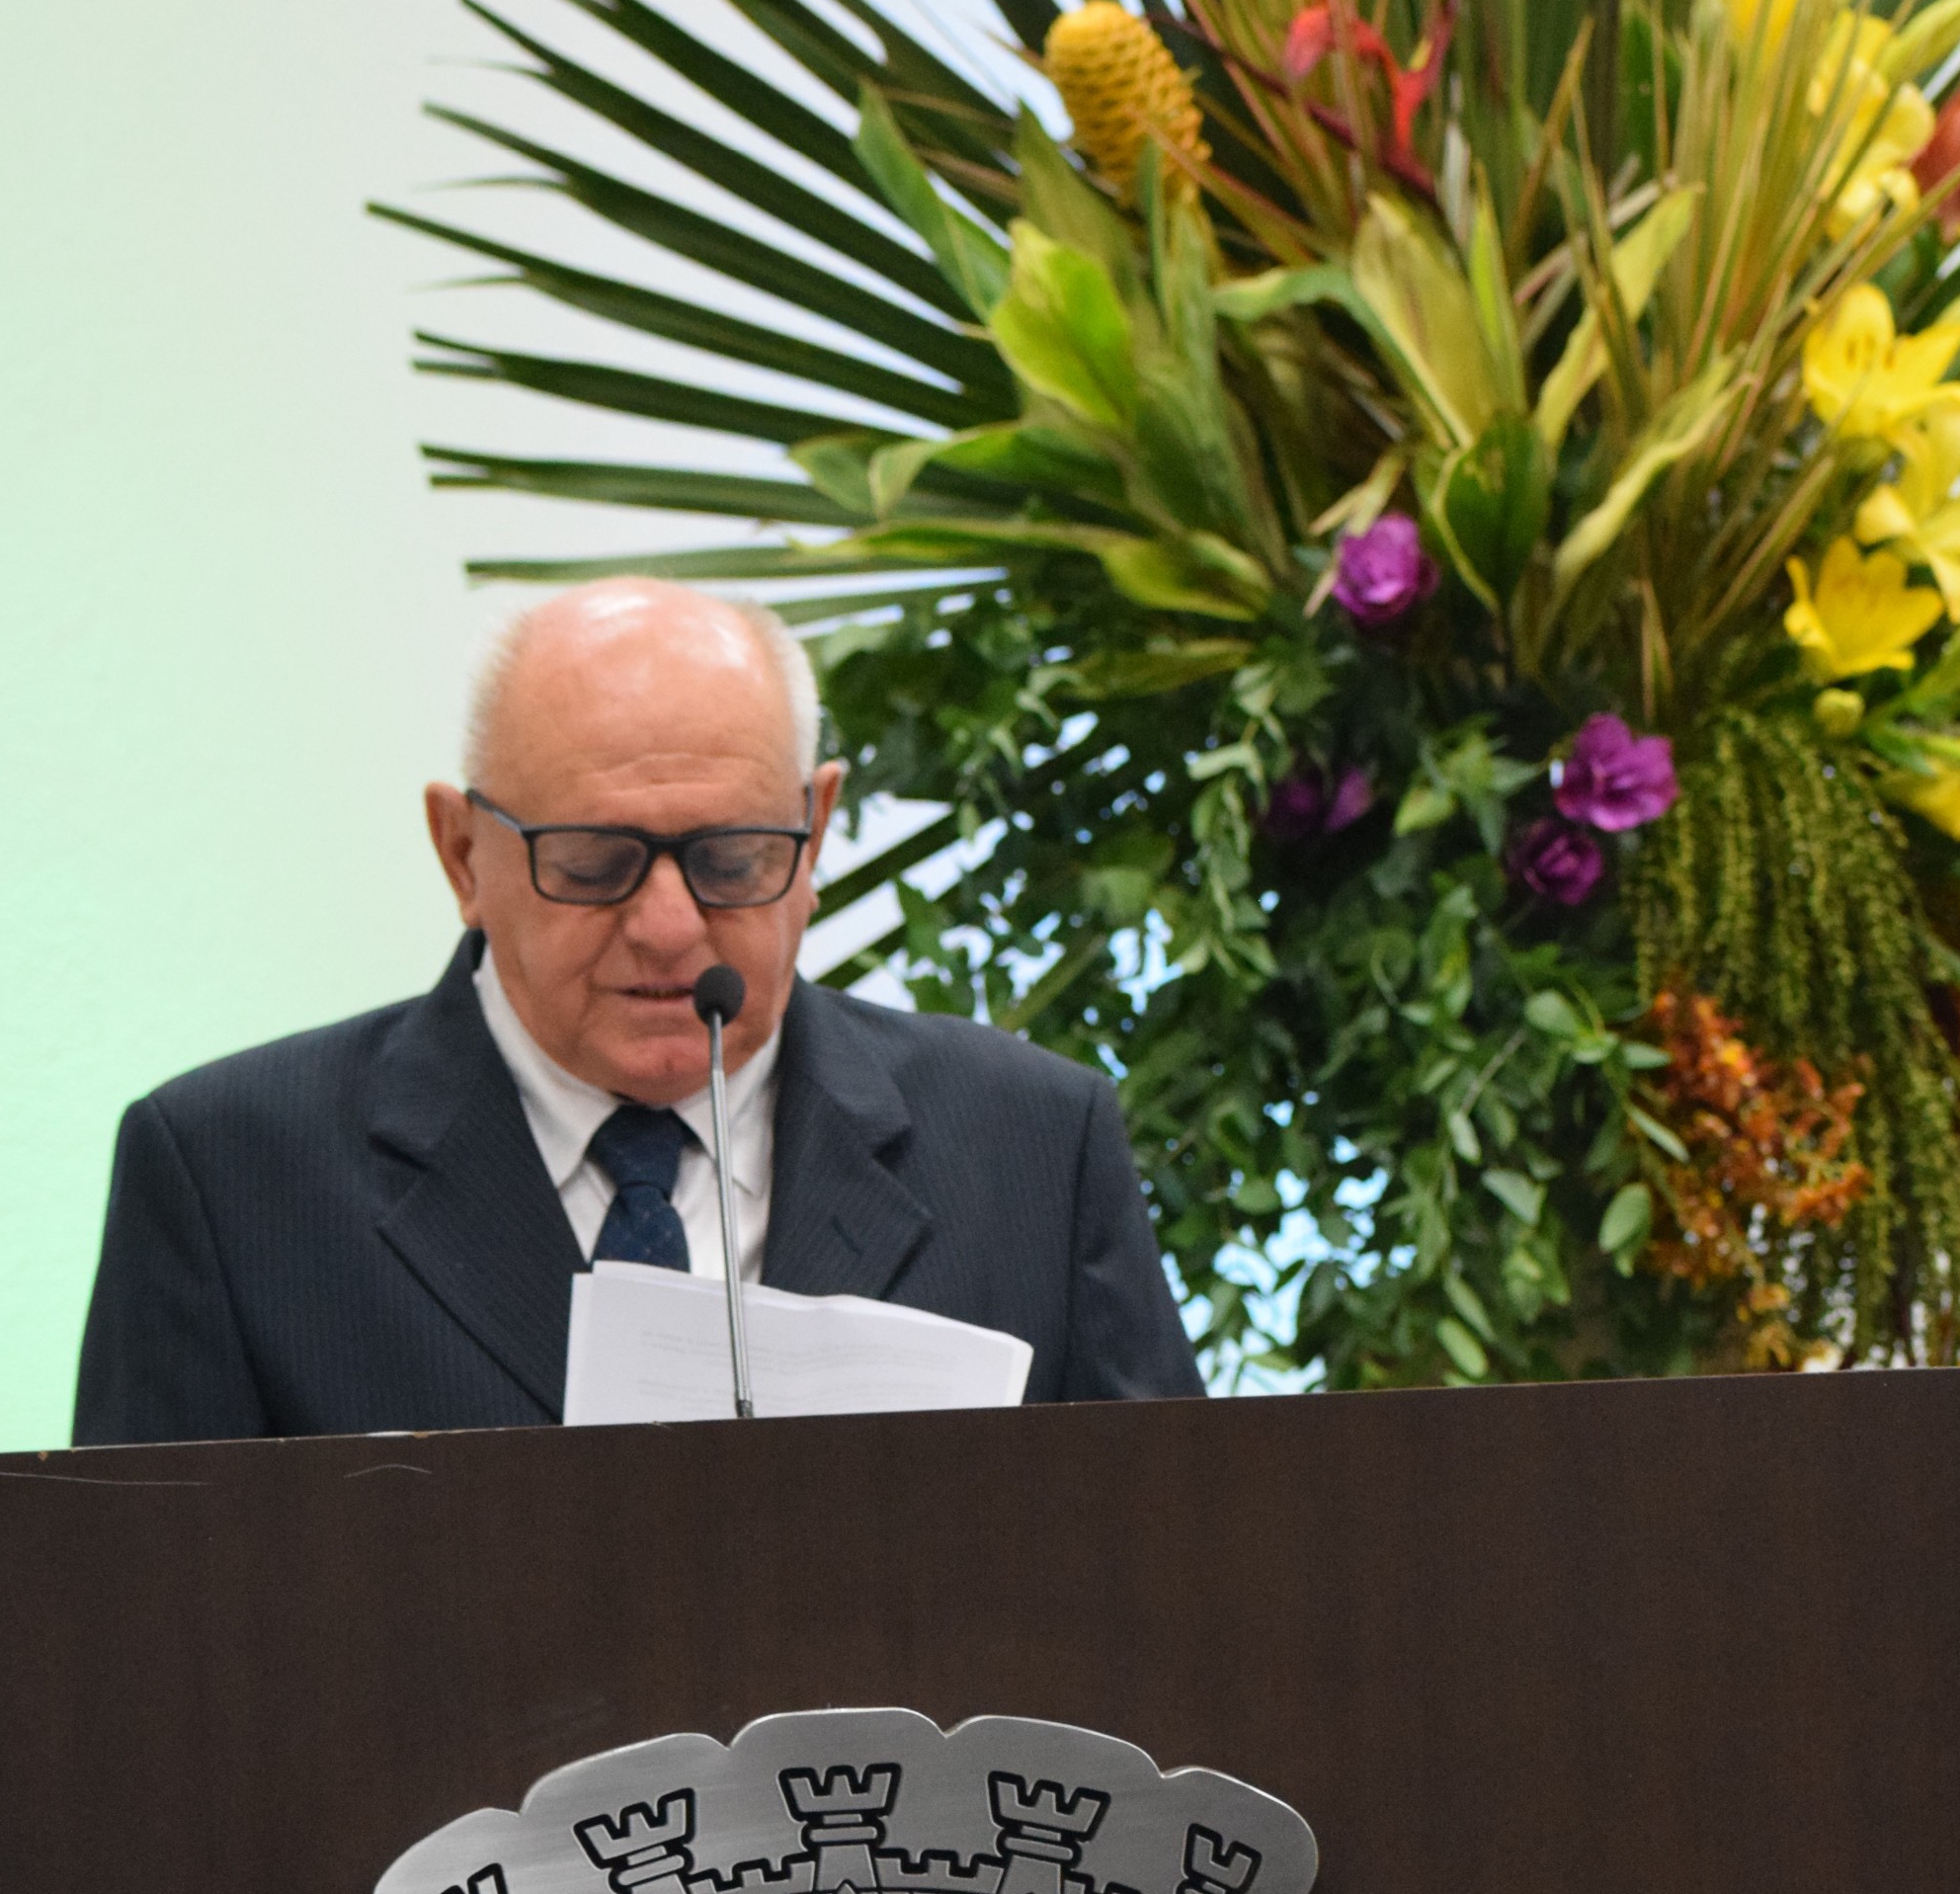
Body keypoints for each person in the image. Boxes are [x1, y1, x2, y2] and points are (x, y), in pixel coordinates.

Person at [72, 581, 1203, 1440]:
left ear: (814, 834)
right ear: (462, 853)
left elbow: (1169, 1580)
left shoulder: (1032, 1146)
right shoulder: (232, 1176)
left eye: (732, 858)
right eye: (595, 861)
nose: (669, 926)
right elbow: (152, 1635)